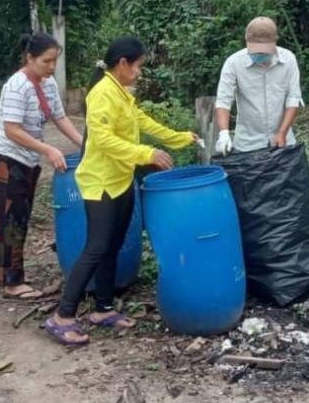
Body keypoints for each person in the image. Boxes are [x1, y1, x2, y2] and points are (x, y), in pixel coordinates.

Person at [45, 36, 198, 347]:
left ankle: (102, 308)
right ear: (123, 63)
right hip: (100, 183)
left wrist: (180, 138)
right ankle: (62, 316)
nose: (140, 72)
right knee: (96, 248)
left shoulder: (121, 93)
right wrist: (146, 155)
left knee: (113, 244)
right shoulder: (101, 94)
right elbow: (101, 141)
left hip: (121, 180)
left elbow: (143, 122)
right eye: (138, 65)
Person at [0, 33, 83, 300]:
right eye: (46, 61)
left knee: (18, 216)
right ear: (29, 58)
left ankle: (2, 275)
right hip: (7, 160)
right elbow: (11, 130)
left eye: (54, 61)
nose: (51, 67)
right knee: (10, 219)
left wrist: (83, 142)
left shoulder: (48, 83)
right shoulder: (16, 86)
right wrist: (48, 149)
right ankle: (12, 282)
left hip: (28, 159)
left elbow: (59, 117)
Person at [214, 16, 303, 155]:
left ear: (274, 42)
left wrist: (282, 133)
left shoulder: (288, 60)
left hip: (283, 142)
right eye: (256, 51)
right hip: (247, 143)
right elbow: (223, 101)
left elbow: (293, 99)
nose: (260, 55)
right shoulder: (234, 63)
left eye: (264, 51)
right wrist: (224, 133)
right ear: (247, 42)